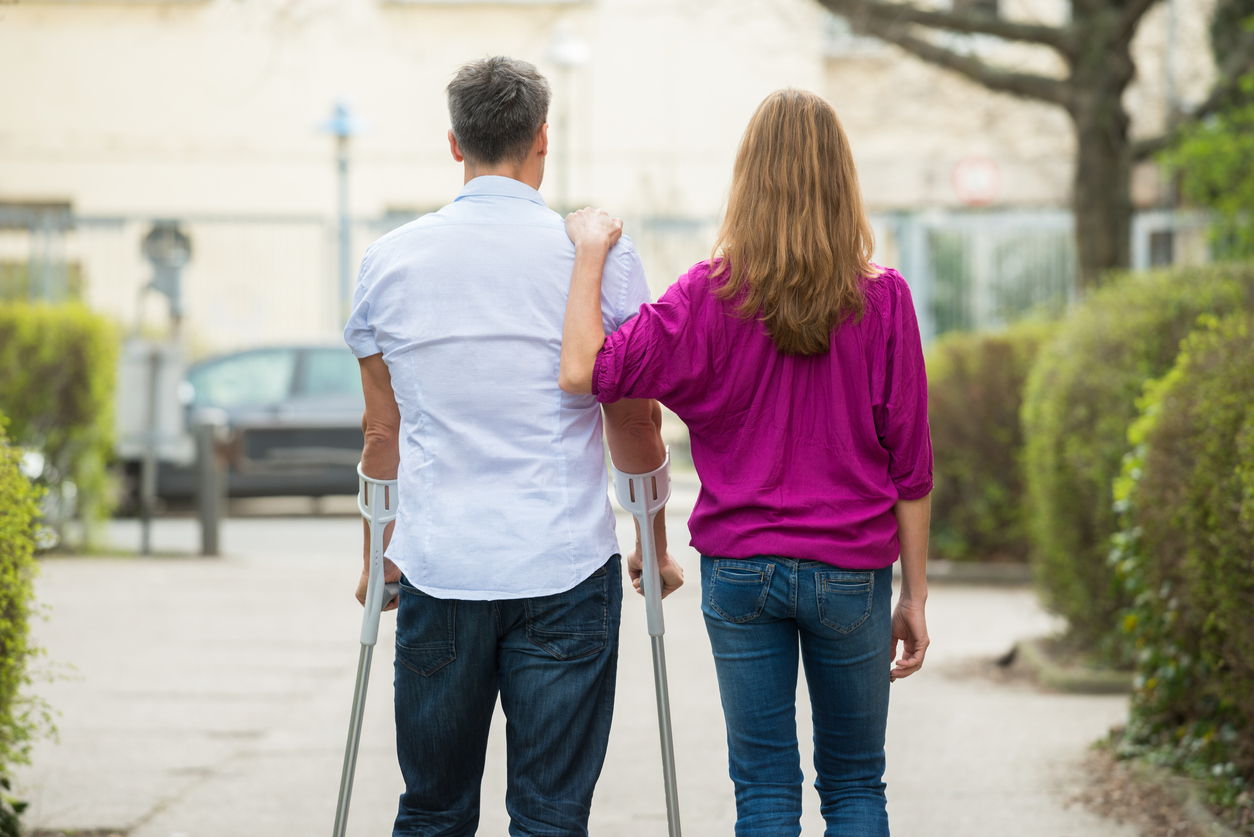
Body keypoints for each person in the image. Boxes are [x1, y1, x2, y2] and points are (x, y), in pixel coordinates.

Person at [558, 88, 932, 837]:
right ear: (841, 180)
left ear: (747, 179)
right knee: (857, 784)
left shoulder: (706, 295)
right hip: (851, 571)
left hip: (740, 569)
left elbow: (589, 372)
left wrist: (592, 252)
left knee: (763, 792)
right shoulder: (883, 300)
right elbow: (911, 465)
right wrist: (915, 595)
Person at [344, 56, 681, 837]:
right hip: (564, 566)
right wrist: (653, 546)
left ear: (454, 145)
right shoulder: (600, 257)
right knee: (550, 816)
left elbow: (381, 432)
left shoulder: (388, 261)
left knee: (432, 809)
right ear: (542, 140)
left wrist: (379, 555)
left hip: (440, 564)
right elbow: (633, 422)